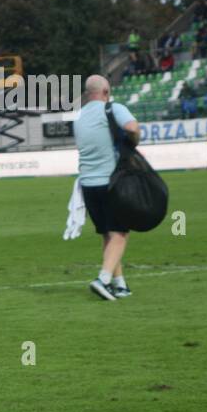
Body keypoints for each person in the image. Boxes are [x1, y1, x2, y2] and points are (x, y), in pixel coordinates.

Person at [75, 73, 140, 300]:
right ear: (105, 92)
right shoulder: (112, 108)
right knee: (120, 234)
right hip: (111, 183)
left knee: (107, 235)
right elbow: (132, 127)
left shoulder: (79, 116)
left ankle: (120, 284)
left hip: (88, 184)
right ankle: (102, 280)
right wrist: (133, 143)